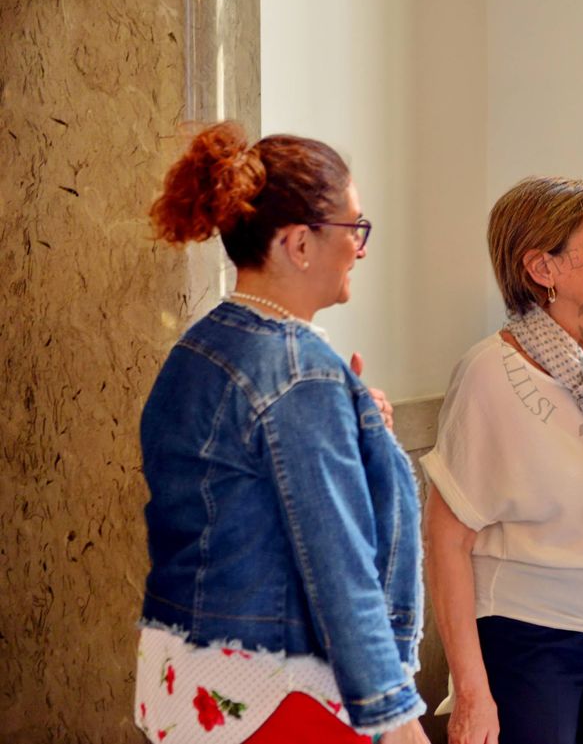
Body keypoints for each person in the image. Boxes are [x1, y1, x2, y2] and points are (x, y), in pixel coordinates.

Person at [135, 122, 428, 744]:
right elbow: (339, 565)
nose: (363, 247)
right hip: (276, 698)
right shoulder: (299, 370)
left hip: (181, 686)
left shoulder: (197, 347)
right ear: (299, 244)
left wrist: (354, 426)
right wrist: (397, 717)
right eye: (355, 229)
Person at [422, 176, 583, 744]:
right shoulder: (488, 374)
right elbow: (445, 539)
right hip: (535, 645)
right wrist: (473, 693)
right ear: (542, 268)